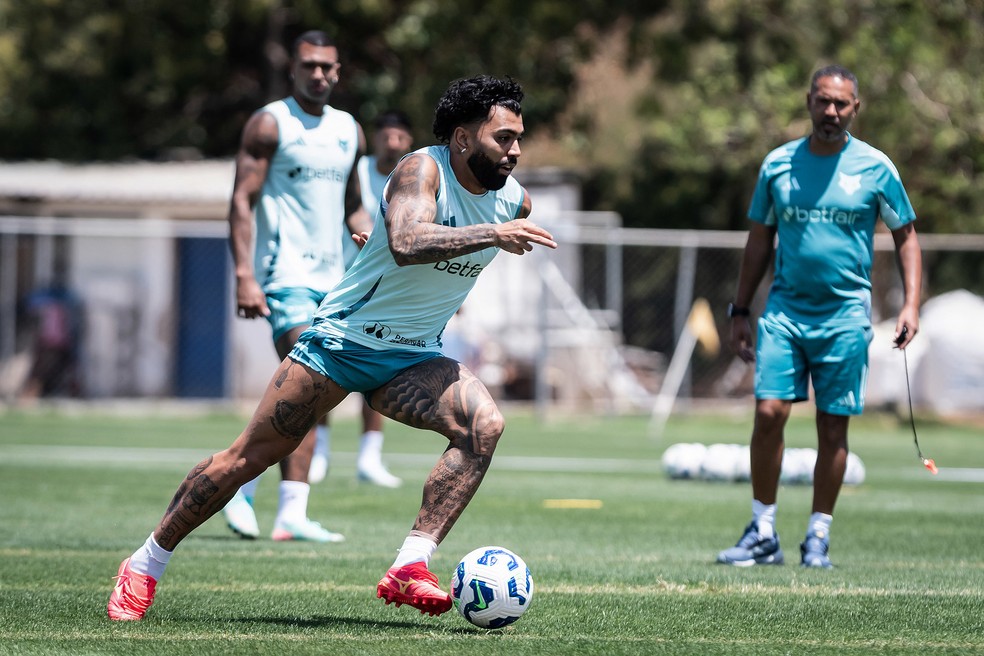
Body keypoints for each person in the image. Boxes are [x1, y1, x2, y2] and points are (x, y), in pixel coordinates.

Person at [107, 74, 557, 621]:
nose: (514, 150)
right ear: (463, 139)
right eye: (502, 138)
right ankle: (145, 563)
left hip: (412, 355)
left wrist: (483, 234)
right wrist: (488, 235)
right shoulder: (423, 169)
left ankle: (410, 565)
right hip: (341, 342)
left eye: (517, 138)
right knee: (247, 459)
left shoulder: (516, 201)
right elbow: (409, 240)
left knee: (483, 426)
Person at [716, 65, 922, 569]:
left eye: (841, 104)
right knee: (768, 414)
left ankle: (817, 537)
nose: (831, 112)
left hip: (846, 317)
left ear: (856, 108)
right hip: (784, 312)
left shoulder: (876, 167)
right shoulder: (778, 165)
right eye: (823, 101)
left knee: (833, 430)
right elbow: (759, 239)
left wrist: (911, 304)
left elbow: (906, 236)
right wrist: (741, 308)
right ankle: (762, 531)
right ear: (809, 101)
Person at [220, 29, 373, 543]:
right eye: (309, 65)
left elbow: (354, 202)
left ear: (338, 71)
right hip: (284, 275)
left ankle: (279, 507)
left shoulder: (350, 130)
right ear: (293, 69)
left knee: (311, 395)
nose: (319, 75)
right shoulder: (271, 123)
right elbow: (242, 198)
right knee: (309, 382)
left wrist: (373, 239)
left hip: (334, 281)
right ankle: (249, 488)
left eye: (328, 67)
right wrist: (244, 273)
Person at [307, 110, 415, 488]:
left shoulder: (412, 175)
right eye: (388, 136)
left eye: (401, 137)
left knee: (379, 368)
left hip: (384, 286)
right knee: (324, 366)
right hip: (340, 280)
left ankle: (370, 457)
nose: (395, 143)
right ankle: (319, 450)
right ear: (378, 136)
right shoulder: (357, 170)